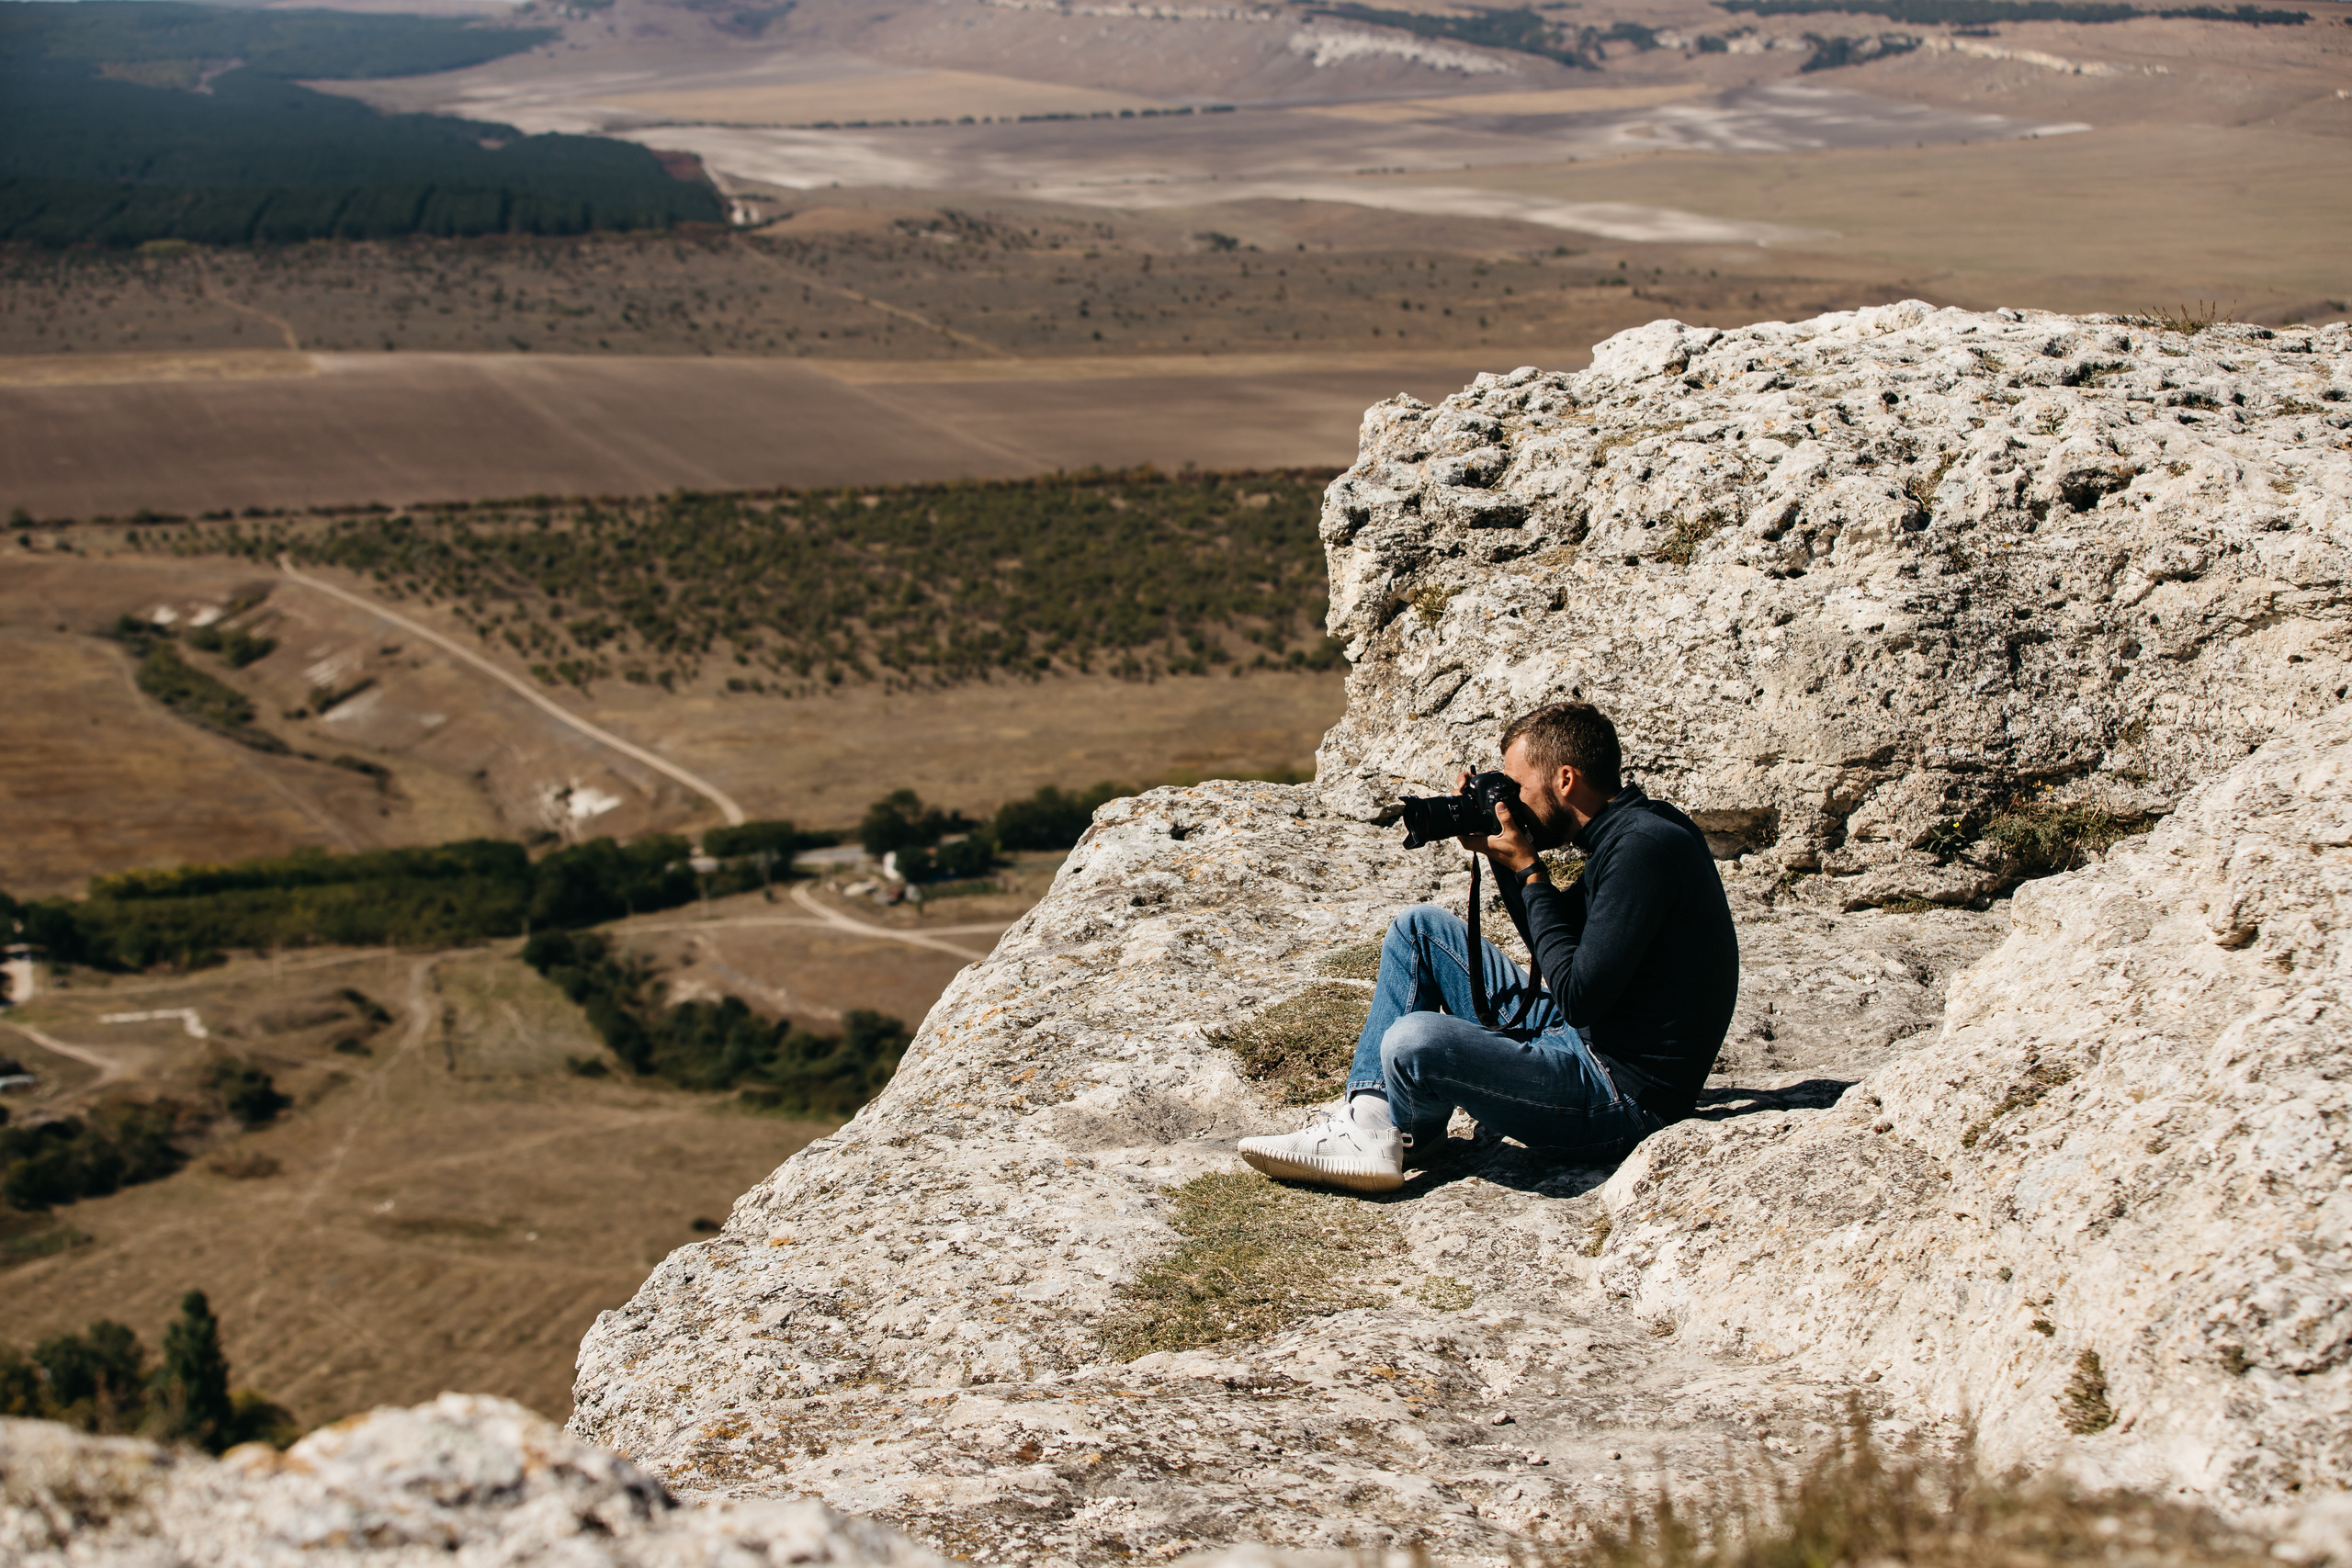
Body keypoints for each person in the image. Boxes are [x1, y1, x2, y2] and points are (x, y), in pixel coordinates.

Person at [1238, 702, 1739, 1193]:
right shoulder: (1637, 828)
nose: (1512, 802)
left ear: (1565, 779)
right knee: (1419, 929)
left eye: (1518, 788)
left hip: (1620, 1096)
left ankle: (1393, 1129)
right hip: (1582, 1034)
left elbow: (1579, 993)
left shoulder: (1643, 848)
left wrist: (1530, 870)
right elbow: (1561, 944)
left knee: (1414, 1041)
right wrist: (1503, 854)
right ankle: (1375, 1121)